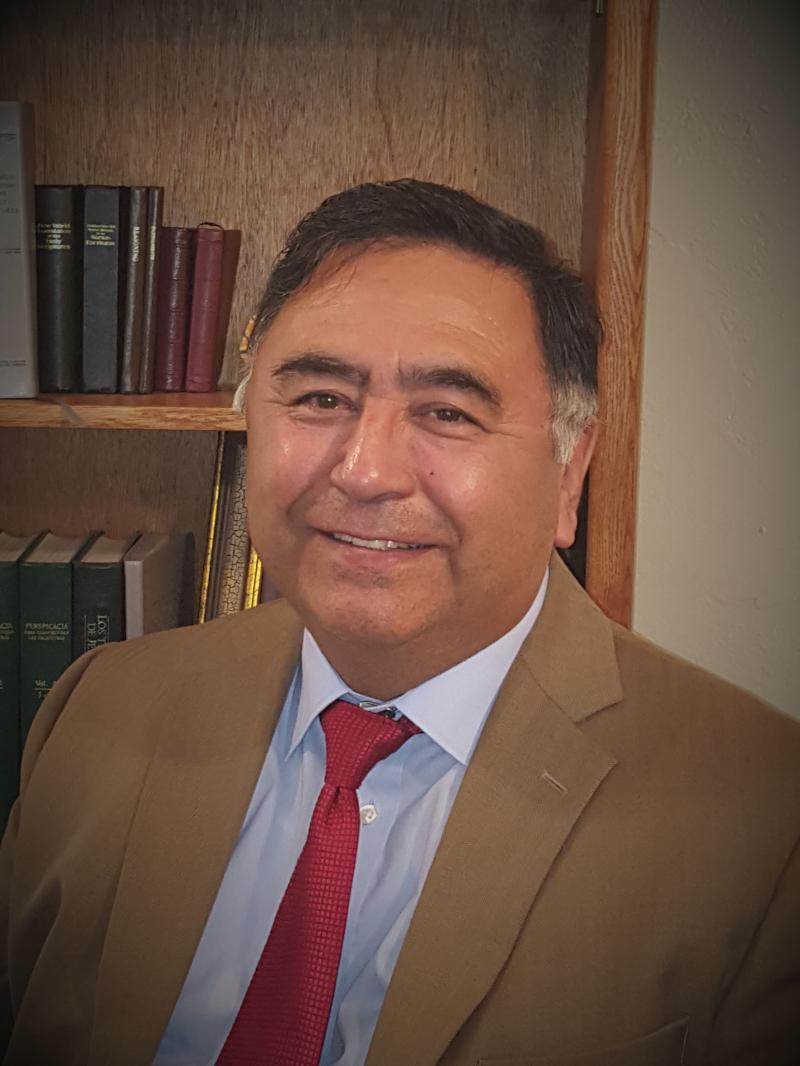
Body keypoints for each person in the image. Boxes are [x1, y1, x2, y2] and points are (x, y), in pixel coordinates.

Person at [1, 179, 798, 1066]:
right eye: (320, 399)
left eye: (448, 413)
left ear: (569, 473)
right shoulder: (100, 707)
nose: (366, 472)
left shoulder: (766, 822)